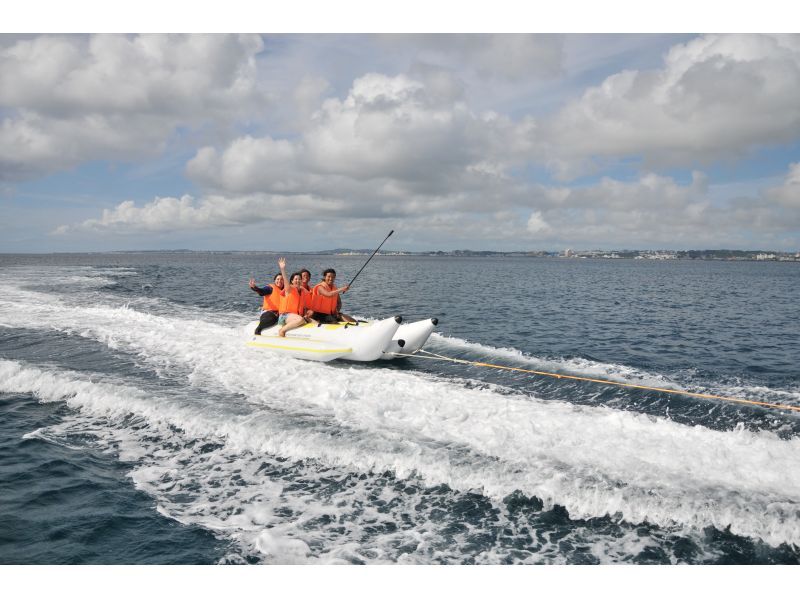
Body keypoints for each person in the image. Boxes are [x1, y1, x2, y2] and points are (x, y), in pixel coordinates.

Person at [277, 257, 314, 337]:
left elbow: (303, 307)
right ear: (292, 281)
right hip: (285, 316)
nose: (298, 281)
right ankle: (282, 330)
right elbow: (286, 281)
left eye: (299, 279)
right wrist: (283, 269)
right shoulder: (289, 289)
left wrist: (308, 312)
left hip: (296, 316)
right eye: (296, 279)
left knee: (315, 322)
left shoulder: (303, 291)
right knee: (300, 319)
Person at [249, 268, 284, 335]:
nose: (280, 281)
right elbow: (262, 291)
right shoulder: (270, 288)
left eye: (282, 279)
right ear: (275, 281)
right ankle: (258, 330)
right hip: (269, 313)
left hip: (280, 314)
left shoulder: (285, 290)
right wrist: (255, 288)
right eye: (278, 279)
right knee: (271, 319)